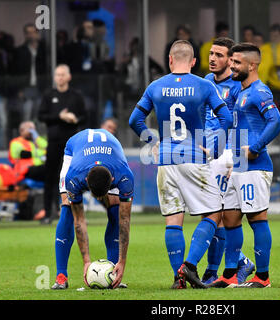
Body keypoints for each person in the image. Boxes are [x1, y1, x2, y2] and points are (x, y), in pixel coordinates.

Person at [129, 40, 233, 289]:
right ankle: (190, 265)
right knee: (214, 213)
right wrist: (214, 144)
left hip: (165, 160)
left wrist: (153, 140)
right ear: (194, 62)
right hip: (194, 157)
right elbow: (226, 117)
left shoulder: (155, 86)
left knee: (173, 221)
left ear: (170, 60)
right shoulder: (203, 85)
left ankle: (178, 279)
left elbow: (135, 120)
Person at [208, 43, 280, 288]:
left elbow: (276, 121)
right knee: (230, 218)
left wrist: (255, 148)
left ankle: (263, 276)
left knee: (257, 218)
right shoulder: (241, 92)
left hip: (256, 166)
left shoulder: (260, 92)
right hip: (238, 166)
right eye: (232, 62)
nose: (232, 66)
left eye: (237, 62)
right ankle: (230, 274)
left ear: (252, 65)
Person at [50, 128, 134, 290]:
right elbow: (79, 220)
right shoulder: (74, 176)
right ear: (86, 180)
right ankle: (61, 276)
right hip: (76, 149)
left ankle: (112, 273)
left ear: (113, 180)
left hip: (111, 151)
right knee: (67, 208)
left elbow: (125, 220)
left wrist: (122, 261)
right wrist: (86, 260)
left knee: (117, 212)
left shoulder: (124, 175)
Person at [201, 37, 255, 285]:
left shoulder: (237, 86)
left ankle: (217, 270)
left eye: (219, 55)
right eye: (211, 53)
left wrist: (237, 160)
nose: (213, 58)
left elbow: (241, 123)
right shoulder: (206, 82)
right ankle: (240, 261)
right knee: (210, 214)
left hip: (229, 155)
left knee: (221, 215)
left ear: (230, 60)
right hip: (208, 153)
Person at [38, 64, 87, 224]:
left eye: (62, 74)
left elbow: (85, 116)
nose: (59, 77)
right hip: (53, 142)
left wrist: (75, 119)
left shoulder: (76, 96)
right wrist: (59, 117)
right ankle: (48, 213)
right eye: (57, 75)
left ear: (68, 77)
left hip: (71, 144)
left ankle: (70, 211)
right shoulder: (48, 95)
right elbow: (41, 116)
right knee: (50, 177)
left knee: (69, 177)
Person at [11, 23, 47, 124]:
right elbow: (15, 72)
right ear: (25, 35)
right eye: (28, 33)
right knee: (26, 117)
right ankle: (25, 139)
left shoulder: (44, 50)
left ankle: (39, 139)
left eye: (33, 32)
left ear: (37, 34)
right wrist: (18, 89)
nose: (31, 35)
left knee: (40, 117)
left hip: (41, 87)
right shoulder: (19, 51)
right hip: (26, 87)